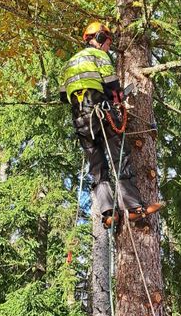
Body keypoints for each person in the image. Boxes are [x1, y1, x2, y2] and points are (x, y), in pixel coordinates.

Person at [60, 22, 162, 228]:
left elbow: (64, 95)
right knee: (119, 157)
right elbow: (112, 84)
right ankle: (134, 209)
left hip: (80, 118)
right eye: (107, 42)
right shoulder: (99, 56)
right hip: (101, 110)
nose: (108, 47)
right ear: (98, 39)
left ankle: (109, 213)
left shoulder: (69, 63)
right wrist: (117, 97)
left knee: (97, 167)